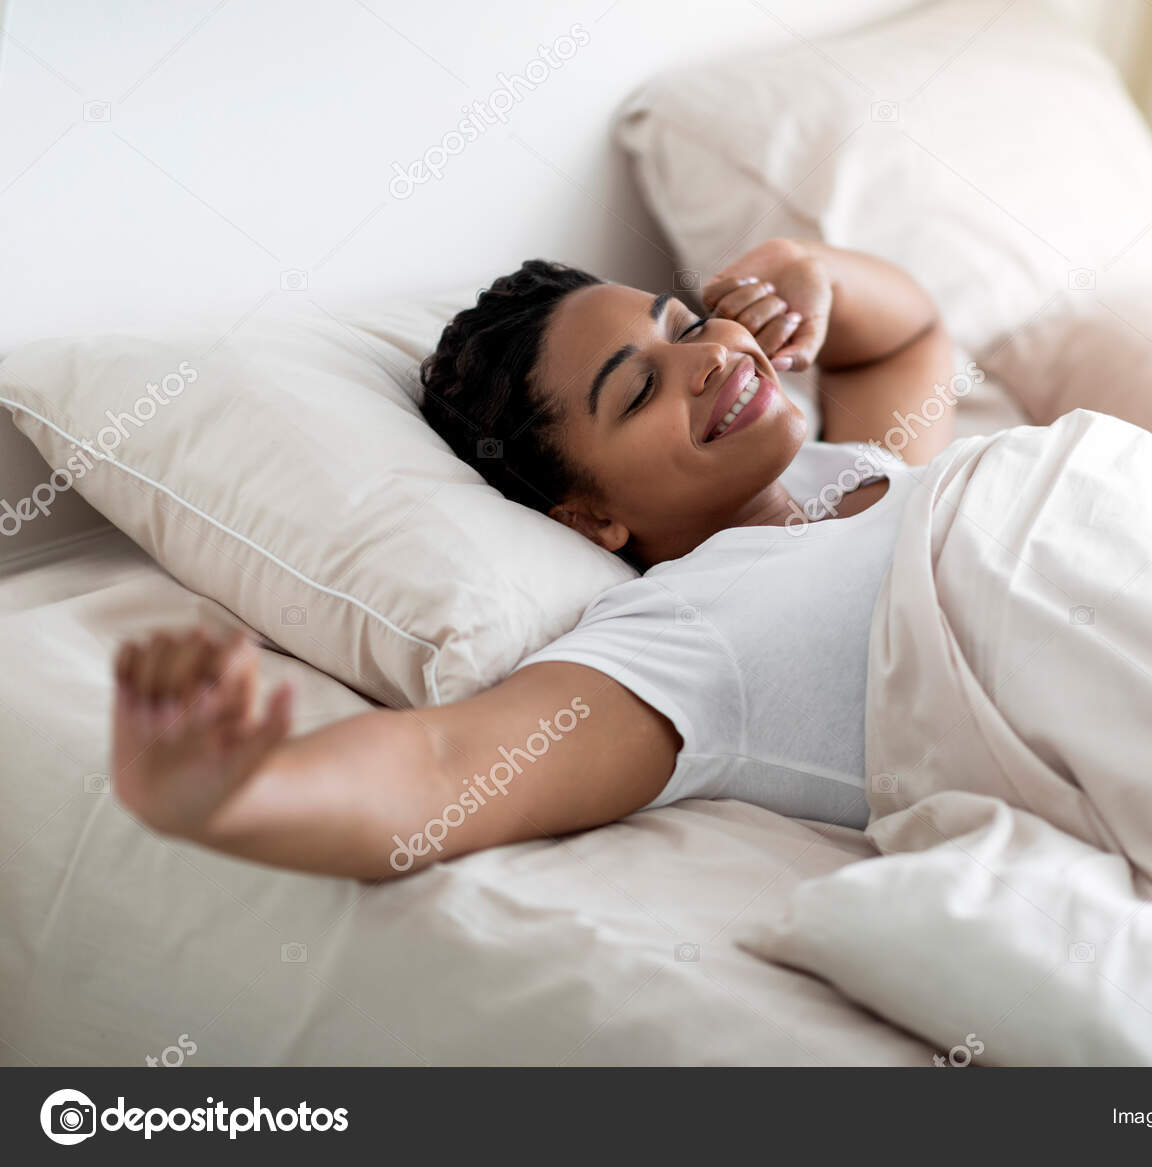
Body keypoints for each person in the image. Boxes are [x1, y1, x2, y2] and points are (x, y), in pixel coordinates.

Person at [108, 237, 965, 879]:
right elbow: (446, 770)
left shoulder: (847, 465)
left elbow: (909, 342)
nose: (709, 358)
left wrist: (805, 268)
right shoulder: (693, 631)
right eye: (639, 389)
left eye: (692, 325)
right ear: (589, 517)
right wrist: (233, 796)